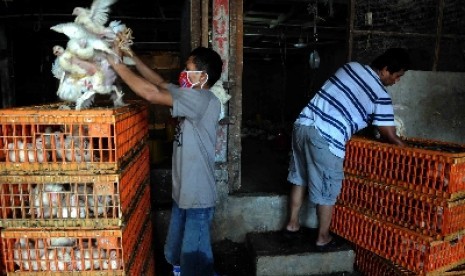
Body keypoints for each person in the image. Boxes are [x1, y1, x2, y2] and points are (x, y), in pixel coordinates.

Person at [107, 41, 223, 276]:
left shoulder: (201, 99)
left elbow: (150, 93)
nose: (183, 72)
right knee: (176, 254)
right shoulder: (190, 94)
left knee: (196, 261)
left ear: (202, 76)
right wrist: (131, 55)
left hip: (197, 198)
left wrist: (115, 64)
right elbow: (159, 83)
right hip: (183, 194)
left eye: (187, 68)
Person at [284, 48, 410, 251]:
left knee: (300, 177)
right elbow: (390, 136)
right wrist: (412, 153)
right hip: (326, 137)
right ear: (386, 70)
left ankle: (292, 224)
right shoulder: (380, 95)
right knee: (327, 190)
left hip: (303, 125)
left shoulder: (351, 67)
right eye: (397, 76)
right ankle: (323, 237)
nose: (396, 81)